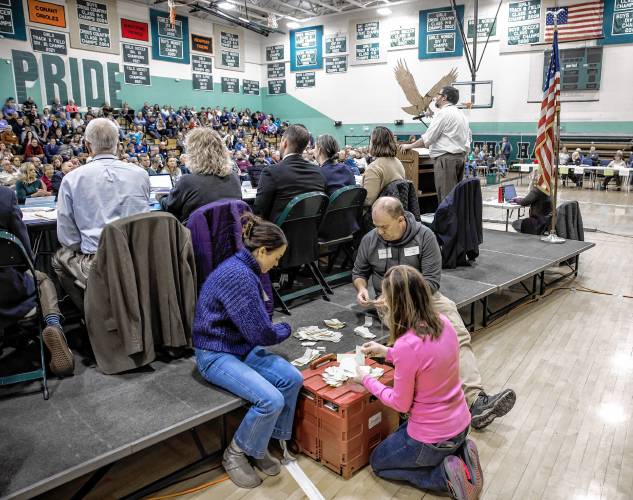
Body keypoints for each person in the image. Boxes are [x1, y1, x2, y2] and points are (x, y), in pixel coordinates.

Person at [352, 197, 516, 429]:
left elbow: (431, 281)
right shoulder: (371, 239)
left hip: (427, 298)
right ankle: (416, 402)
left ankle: (477, 401)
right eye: (376, 226)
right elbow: (359, 271)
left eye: (384, 227)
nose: (380, 232)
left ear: (401, 220)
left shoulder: (425, 237)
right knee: (412, 342)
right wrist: (361, 289)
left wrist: (408, 297)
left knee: (459, 335)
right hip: (389, 303)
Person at [193, 213, 302, 489]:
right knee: (271, 400)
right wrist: (286, 328)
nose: (276, 264)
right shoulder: (239, 276)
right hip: (215, 353)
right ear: (262, 251)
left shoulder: (246, 268)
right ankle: (236, 453)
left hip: (238, 346)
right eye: (275, 257)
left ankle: (263, 443)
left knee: (293, 379)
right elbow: (261, 334)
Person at [353, 265, 482, 498]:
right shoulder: (444, 322)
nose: (381, 300)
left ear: (397, 303)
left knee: (379, 463)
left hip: (432, 438)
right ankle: (461, 454)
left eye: (384, 296)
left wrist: (367, 380)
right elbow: (427, 361)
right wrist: (386, 351)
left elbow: (401, 404)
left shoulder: (406, 345)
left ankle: (444, 477)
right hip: (462, 424)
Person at [53, 118, 150, 309]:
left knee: (58, 259)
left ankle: (88, 313)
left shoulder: (72, 179)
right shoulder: (141, 175)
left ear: (87, 146)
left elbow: (68, 238)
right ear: (118, 145)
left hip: (97, 263)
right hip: (138, 261)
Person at [0, 186, 74, 376]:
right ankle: (53, 325)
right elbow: (26, 256)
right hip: (8, 291)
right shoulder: (5, 196)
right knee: (41, 279)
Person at [401, 86, 472, 203]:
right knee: (455, 197)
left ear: (444, 98)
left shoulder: (443, 113)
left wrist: (409, 146)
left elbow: (427, 139)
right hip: (460, 158)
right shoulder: (461, 115)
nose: (435, 98)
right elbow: (467, 137)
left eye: (438, 95)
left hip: (446, 160)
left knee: (446, 199)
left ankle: (446, 221)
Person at [159, 128, 242, 223]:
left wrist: (161, 197)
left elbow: (169, 206)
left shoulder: (187, 181)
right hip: (228, 235)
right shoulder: (234, 177)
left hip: (194, 236)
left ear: (194, 155)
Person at [253, 124, 326, 222]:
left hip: (279, 234)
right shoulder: (319, 172)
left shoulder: (271, 172)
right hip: (310, 233)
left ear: (285, 142)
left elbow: (259, 212)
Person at [361, 127, 406, 207]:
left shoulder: (374, 168)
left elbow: (368, 201)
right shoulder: (398, 162)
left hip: (377, 214)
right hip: (394, 211)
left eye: (370, 142)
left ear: (375, 144)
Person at [511, 168, 553, 235]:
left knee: (515, 223)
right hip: (547, 220)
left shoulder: (538, 189)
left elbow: (524, 202)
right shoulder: (548, 188)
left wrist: (516, 200)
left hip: (538, 221)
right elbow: (531, 199)